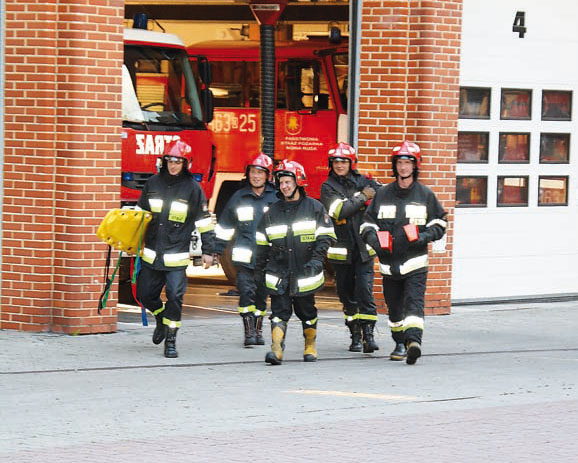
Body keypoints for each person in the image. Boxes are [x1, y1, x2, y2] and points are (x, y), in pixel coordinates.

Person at [360, 141, 447, 365]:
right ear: (395, 165)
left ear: (415, 166)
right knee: (395, 308)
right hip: (389, 264)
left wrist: (423, 237)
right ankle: (399, 341)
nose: (403, 167)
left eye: (408, 163)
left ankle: (413, 342)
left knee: (414, 304)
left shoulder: (425, 194)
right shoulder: (383, 194)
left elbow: (440, 223)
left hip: (416, 262)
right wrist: (374, 241)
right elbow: (367, 224)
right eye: (400, 162)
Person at [136, 139, 215, 358]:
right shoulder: (152, 183)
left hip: (176, 258)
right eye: (170, 160)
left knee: (174, 296)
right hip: (151, 255)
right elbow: (139, 215)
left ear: (185, 163)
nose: (173, 165)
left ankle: (171, 340)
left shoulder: (193, 189)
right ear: (164, 161)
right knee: (145, 295)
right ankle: (160, 318)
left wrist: (209, 250)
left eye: (177, 162)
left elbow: (204, 222)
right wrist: (127, 240)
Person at [255, 160, 335, 365]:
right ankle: (276, 349)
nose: (284, 186)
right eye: (281, 182)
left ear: (298, 181)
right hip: (279, 271)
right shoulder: (272, 211)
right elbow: (262, 244)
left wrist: (317, 261)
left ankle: (310, 345)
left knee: (307, 312)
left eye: (288, 182)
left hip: (305, 272)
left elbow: (325, 237)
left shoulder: (314, 207)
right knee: (279, 311)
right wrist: (259, 270)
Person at [320, 142, 382, 353]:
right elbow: (339, 212)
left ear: (351, 163)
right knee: (346, 293)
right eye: (336, 161)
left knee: (365, 291)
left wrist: (370, 196)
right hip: (341, 250)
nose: (339, 165)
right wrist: (363, 197)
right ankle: (354, 333)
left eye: (343, 161)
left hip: (364, 248)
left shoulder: (364, 180)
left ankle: (369, 335)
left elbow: (381, 196)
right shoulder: (327, 187)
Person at [214, 153, 278, 347]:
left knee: (261, 296)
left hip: (267, 259)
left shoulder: (276, 198)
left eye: (260, 172)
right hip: (244, 258)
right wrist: (216, 250)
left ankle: (258, 330)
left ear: (268, 175)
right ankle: (248, 332)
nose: (255, 176)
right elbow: (225, 226)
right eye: (252, 171)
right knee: (246, 293)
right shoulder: (238, 197)